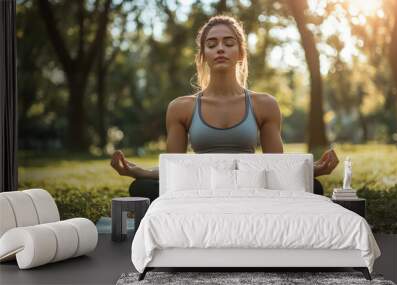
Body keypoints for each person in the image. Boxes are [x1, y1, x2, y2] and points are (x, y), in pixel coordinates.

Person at [110, 15, 339, 203]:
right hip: (201, 187)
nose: (220, 49)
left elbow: (275, 167)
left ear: (240, 53)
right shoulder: (181, 108)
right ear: (204, 55)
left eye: (229, 43)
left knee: (314, 187)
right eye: (212, 45)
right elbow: (174, 171)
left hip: (249, 186)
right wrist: (137, 171)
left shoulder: (264, 104)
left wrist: (313, 170)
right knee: (141, 187)